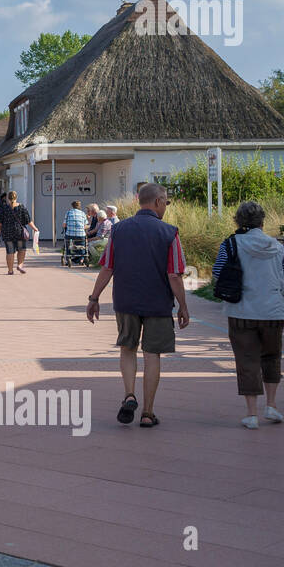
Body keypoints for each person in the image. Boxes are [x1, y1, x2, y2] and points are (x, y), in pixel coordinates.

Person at [85, 183, 189, 429]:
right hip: (158, 304)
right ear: (157, 202)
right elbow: (174, 275)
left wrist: (94, 298)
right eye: (165, 202)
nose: (165, 206)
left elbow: (107, 267)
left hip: (126, 301)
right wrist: (183, 306)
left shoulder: (119, 230)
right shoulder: (169, 232)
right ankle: (148, 412)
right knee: (152, 354)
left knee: (127, 348)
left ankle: (129, 394)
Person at [213, 201, 284, 430]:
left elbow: (217, 273)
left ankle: (251, 415)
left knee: (247, 360)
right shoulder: (277, 247)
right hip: (273, 312)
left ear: (238, 221)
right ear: (262, 221)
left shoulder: (231, 244)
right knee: (271, 357)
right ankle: (271, 405)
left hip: (241, 311)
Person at [0, 190, 37, 275]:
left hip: (7, 231)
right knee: (22, 249)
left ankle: (10, 270)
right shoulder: (21, 207)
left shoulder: (3, 208)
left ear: (7, 198)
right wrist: (35, 228)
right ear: (16, 197)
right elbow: (28, 220)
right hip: (19, 232)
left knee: (10, 251)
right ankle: (20, 265)